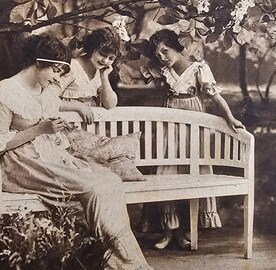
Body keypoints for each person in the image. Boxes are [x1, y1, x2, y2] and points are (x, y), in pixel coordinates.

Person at [0, 34, 153, 270]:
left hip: (48, 154)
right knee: (94, 187)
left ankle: (122, 262)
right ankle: (123, 265)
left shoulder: (45, 88)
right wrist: (40, 129)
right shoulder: (7, 91)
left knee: (110, 180)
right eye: (55, 71)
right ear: (38, 63)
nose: (57, 78)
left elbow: (48, 125)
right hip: (19, 163)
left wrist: (54, 132)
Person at [143, 29, 245, 250]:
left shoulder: (199, 69)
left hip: (193, 124)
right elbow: (138, 77)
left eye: (165, 51)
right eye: (157, 53)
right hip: (170, 122)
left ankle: (186, 231)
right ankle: (168, 230)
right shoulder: (163, 70)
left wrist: (230, 117)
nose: (161, 56)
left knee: (192, 172)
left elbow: (216, 97)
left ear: (177, 47)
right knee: (167, 171)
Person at [59, 27, 120, 123]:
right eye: (102, 54)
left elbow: (110, 105)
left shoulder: (100, 72)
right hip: (66, 123)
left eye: (111, 58)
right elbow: (49, 100)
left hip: (89, 127)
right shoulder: (72, 67)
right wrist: (79, 106)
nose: (105, 61)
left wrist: (104, 77)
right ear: (92, 49)